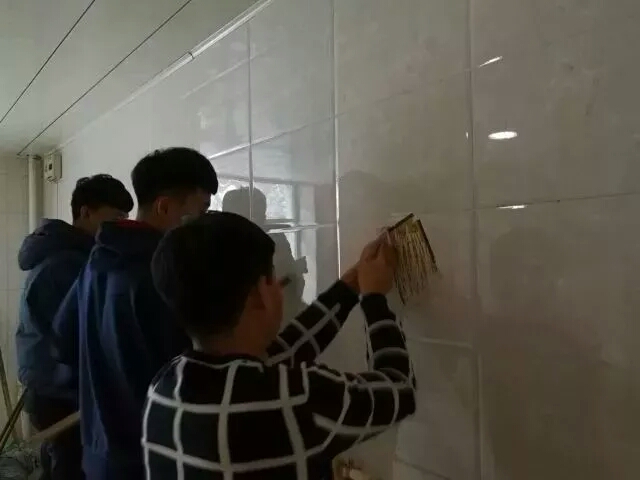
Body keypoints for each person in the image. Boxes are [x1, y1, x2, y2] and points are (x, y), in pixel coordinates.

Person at [144, 212, 416, 480]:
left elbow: (284, 353)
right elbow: (399, 390)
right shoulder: (292, 399)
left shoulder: (163, 390)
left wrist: (349, 287)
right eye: (273, 279)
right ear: (258, 295)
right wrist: (374, 299)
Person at [53, 147, 218, 480]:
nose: (202, 223)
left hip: (99, 456)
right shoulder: (161, 275)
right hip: (148, 458)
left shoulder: (95, 262)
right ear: (165, 207)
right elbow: (190, 374)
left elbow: (62, 337)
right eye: (200, 210)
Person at [16, 174, 133, 480]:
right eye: (116, 217)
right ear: (86, 212)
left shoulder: (66, 255)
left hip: (51, 387)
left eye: (125, 218)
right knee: (68, 467)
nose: (121, 226)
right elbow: (75, 336)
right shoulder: (65, 264)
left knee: (59, 462)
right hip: (59, 392)